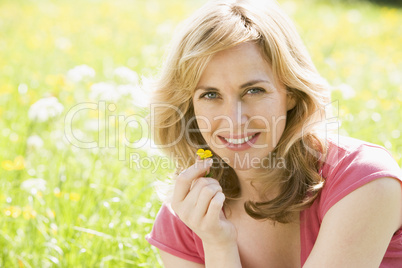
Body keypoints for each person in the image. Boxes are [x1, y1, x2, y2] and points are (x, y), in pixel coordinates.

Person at [145, 0, 402, 267]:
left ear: (290, 93)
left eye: (254, 90)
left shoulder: (362, 180)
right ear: (190, 108)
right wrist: (218, 244)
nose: (234, 119)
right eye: (210, 94)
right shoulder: (188, 217)